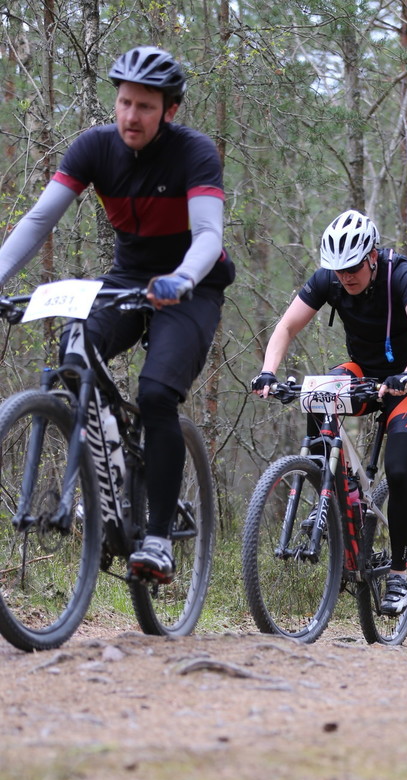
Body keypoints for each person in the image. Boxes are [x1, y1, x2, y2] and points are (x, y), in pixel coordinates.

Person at [0, 45, 235, 583]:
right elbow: (38, 223)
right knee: (75, 352)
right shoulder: (93, 149)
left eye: (146, 107)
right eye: (125, 102)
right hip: (126, 282)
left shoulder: (194, 154)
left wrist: (181, 278)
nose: (131, 116)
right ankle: (109, 473)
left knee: (156, 395)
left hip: (190, 287)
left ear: (169, 111)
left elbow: (207, 237)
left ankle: (157, 539)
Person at [252, 208, 407, 615]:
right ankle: (340, 504)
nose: (345, 278)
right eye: (337, 271)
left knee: (399, 471)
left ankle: (400, 571)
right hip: (362, 373)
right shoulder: (329, 280)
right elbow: (286, 327)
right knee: (315, 394)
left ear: (372, 256)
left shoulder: (403, 276)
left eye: (353, 268)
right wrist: (269, 372)